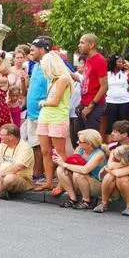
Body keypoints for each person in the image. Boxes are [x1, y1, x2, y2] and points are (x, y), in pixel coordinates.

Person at [35, 51, 73, 194]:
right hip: (45, 117)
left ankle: (63, 182)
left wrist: (43, 103)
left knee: (59, 152)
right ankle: (49, 181)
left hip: (57, 118)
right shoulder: (52, 79)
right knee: (45, 151)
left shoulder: (63, 78)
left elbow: (56, 101)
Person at [53, 129, 106, 209]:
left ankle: (86, 201)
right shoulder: (79, 149)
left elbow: (85, 170)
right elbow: (71, 164)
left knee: (78, 173)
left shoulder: (99, 154)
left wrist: (64, 164)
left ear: (89, 144)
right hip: (82, 181)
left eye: (80, 141)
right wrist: (59, 186)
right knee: (60, 169)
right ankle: (72, 198)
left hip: (97, 184)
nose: (77, 142)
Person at [25, 37, 52, 182]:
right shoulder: (35, 65)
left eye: (33, 50)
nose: (31, 52)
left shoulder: (49, 66)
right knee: (35, 144)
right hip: (32, 112)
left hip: (43, 112)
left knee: (44, 146)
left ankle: (44, 175)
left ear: (42, 50)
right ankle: (37, 172)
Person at [77, 33, 108, 134]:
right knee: (78, 138)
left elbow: (104, 87)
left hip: (95, 105)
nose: (79, 45)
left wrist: (90, 106)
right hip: (84, 103)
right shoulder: (88, 59)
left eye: (82, 43)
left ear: (91, 45)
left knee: (91, 140)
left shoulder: (100, 60)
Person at [96, 144, 129, 215]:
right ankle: (104, 203)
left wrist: (105, 168)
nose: (113, 153)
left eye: (116, 154)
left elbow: (118, 173)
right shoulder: (115, 152)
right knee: (109, 176)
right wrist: (122, 164)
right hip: (119, 190)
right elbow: (110, 165)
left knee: (122, 178)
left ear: (123, 158)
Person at [105, 55, 129, 136]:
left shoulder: (126, 73)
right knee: (111, 126)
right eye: (119, 61)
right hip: (110, 102)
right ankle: (111, 147)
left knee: (124, 126)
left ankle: (124, 147)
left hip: (125, 102)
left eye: (123, 62)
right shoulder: (107, 74)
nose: (122, 63)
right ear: (113, 62)